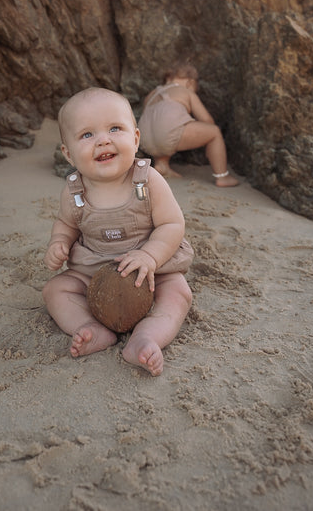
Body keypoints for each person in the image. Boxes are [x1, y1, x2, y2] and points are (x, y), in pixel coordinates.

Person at [43, 87, 193, 376]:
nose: (103, 140)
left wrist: (150, 256)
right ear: (68, 154)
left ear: (135, 139)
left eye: (115, 128)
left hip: (151, 273)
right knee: (55, 290)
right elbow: (66, 223)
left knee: (179, 292)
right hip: (93, 271)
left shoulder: (148, 180)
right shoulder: (74, 191)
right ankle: (91, 327)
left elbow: (172, 225)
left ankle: (146, 337)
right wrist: (59, 242)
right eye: (87, 135)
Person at [138, 61, 239, 186]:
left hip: (145, 141)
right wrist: (200, 132)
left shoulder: (151, 95)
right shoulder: (185, 91)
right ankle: (222, 176)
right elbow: (207, 120)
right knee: (214, 132)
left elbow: (155, 122)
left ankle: (161, 165)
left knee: (161, 129)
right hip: (168, 135)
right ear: (190, 82)